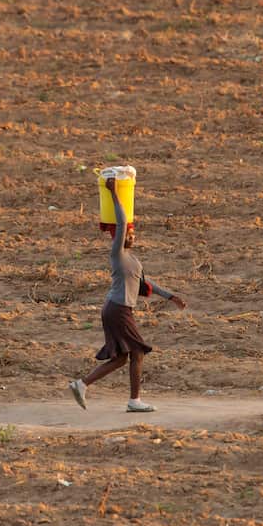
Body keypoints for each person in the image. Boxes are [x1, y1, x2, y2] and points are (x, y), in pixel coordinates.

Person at [69, 175, 186, 412]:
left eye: (134, 234)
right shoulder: (117, 254)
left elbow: (145, 282)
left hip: (117, 309)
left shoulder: (133, 260)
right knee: (138, 351)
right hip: (118, 309)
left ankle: (82, 384)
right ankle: (134, 401)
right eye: (130, 234)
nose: (133, 236)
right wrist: (114, 192)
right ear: (121, 237)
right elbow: (122, 222)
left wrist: (170, 296)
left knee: (122, 358)